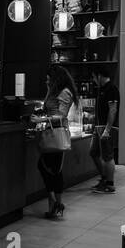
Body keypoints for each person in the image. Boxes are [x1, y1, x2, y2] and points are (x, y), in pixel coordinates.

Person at [38, 64, 78, 219]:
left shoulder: (65, 92)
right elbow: (49, 109)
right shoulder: (53, 91)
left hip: (57, 134)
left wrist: (41, 118)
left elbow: (61, 115)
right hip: (50, 132)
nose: (46, 81)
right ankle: (54, 204)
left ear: (56, 79)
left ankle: (56, 203)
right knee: (48, 167)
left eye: (49, 79)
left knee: (52, 169)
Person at [89, 68, 119, 193]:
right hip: (98, 127)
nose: (93, 80)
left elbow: (113, 110)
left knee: (107, 156)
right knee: (93, 152)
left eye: (94, 77)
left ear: (99, 75)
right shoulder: (101, 89)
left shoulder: (111, 89)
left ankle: (110, 184)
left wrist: (107, 129)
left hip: (107, 127)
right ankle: (104, 178)